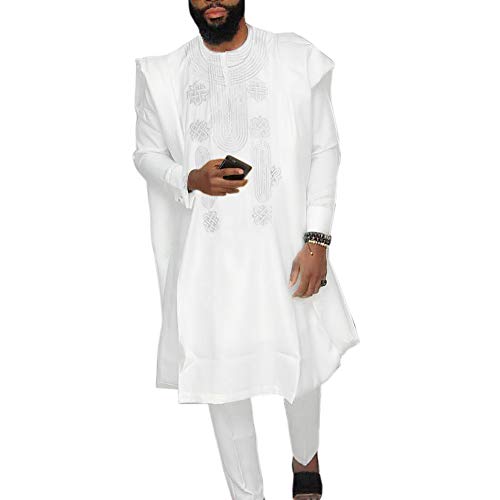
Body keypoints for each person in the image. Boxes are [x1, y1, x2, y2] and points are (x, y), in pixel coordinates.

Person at [132, 1, 360, 498]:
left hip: (283, 248)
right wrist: (188, 178)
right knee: (221, 376)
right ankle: (246, 494)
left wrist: (317, 238)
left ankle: (305, 457)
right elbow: (145, 153)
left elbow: (325, 149)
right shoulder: (163, 75)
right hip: (207, 261)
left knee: (300, 355)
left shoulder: (295, 58)